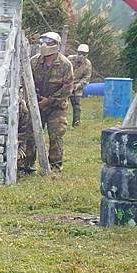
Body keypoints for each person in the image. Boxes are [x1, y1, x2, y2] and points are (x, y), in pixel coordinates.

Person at [18, 31, 74, 173]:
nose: (44, 45)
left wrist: (49, 101)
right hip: (37, 103)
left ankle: (55, 168)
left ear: (55, 45)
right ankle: (28, 166)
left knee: (56, 136)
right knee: (30, 134)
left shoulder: (65, 64)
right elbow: (27, 81)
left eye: (48, 42)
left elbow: (68, 87)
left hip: (57, 107)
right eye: (42, 42)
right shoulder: (34, 61)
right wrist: (35, 98)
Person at [68, 44, 92, 127]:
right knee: (60, 105)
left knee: (76, 106)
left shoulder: (87, 64)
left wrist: (78, 85)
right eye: (79, 53)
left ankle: (76, 123)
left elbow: (86, 78)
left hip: (77, 87)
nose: (81, 56)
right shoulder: (69, 59)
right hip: (65, 85)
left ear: (87, 55)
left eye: (83, 54)